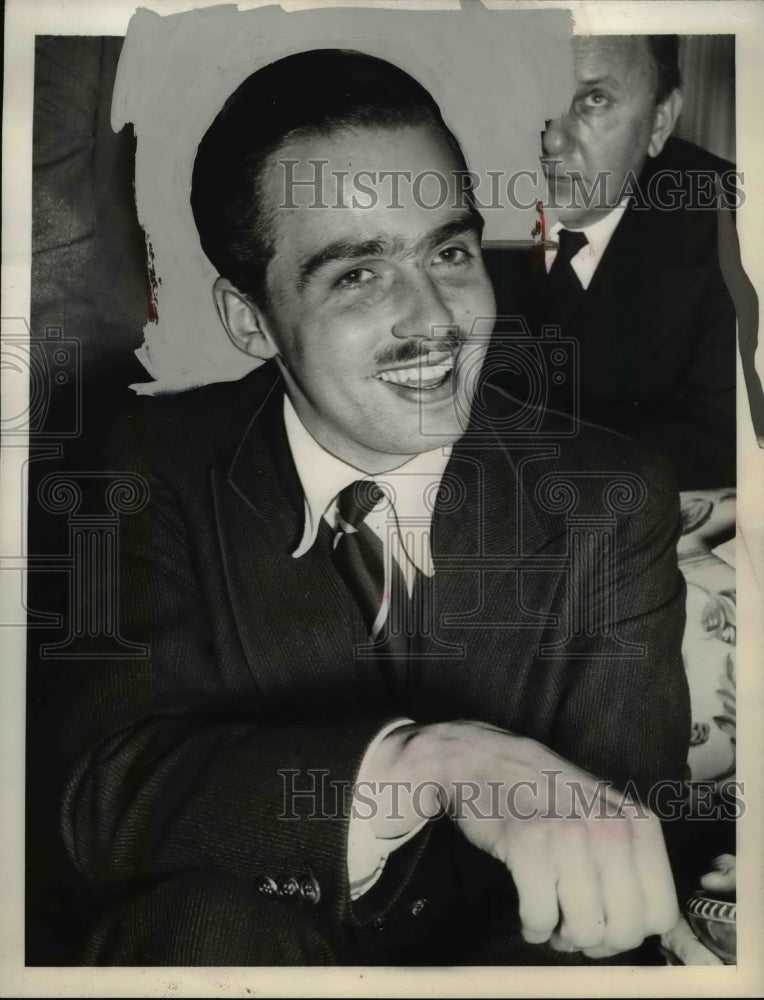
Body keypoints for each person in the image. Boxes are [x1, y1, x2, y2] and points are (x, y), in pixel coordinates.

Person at [60, 49, 690, 966]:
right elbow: (102, 808)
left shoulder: (608, 497)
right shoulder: (141, 469)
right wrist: (430, 766)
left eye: (450, 251)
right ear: (249, 319)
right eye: (357, 274)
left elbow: (616, 872)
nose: (433, 318)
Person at [484, 35, 737, 490]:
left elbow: (727, 439)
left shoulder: (734, 223)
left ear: (661, 121)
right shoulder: (452, 192)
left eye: (595, 99)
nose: (551, 140)